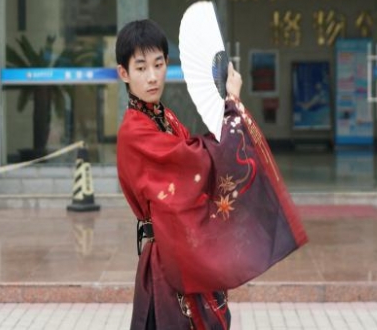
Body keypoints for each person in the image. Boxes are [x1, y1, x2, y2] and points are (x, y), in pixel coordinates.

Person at [116, 19, 307, 329]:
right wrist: (231, 105)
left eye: (158, 65)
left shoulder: (164, 117)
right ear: (123, 73)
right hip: (167, 261)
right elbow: (195, 162)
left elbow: (193, 162)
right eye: (140, 68)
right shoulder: (134, 131)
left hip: (181, 249)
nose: (152, 77)